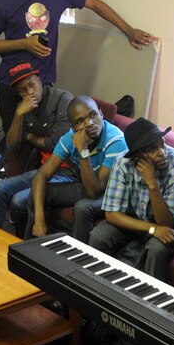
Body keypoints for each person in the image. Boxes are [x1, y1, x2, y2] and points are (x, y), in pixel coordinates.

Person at [0, 0, 155, 133]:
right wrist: (24, 44)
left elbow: (96, 5)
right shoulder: (2, 1)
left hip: (43, 85)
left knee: (43, 141)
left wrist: (128, 31)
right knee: (14, 144)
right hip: (12, 85)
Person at [90, 117, 174, 281]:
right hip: (136, 219)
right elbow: (112, 214)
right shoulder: (123, 163)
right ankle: (99, 288)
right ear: (137, 156)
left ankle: (149, 301)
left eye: (162, 144)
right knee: (99, 236)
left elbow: (166, 224)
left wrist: (152, 184)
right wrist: (151, 228)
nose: (162, 152)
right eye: (153, 149)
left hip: (167, 224)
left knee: (157, 248)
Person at [0, 59, 73, 230]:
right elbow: (11, 146)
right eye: (22, 90)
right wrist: (18, 116)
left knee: (19, 200)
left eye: (32, 84)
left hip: (67, 171)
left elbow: (57, 143)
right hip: (43, 170)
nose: (30, 92)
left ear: (40, 80)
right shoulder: (23, 107)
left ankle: (22, 246)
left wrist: (30, 137)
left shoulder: (63, 100)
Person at [27, 96, 128, 242]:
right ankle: (30, 247)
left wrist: (83, 150)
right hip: (90, 184)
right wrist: (39, 220)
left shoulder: (115, 141)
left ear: (101, 114)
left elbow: (94, 192)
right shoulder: (70, 138)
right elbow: (42, 175)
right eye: (80, 121)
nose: (89, 123)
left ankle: (76, 259)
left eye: (93, 115)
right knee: (39, 191)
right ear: (73, 128)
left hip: (113, 193)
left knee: (82, 207)